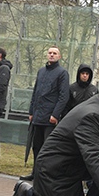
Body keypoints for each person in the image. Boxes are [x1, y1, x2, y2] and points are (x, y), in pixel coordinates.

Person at [21, 47, 70, 181]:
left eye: (55, 53)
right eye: (50, 53)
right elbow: (35, 92)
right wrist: (31, 111)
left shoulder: (62, 73)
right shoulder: (41, 71)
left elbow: (63, 96)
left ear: (59, 56)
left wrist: (55, 115)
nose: (52, 55)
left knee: (48, 148)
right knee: (36, 146)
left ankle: (46, 175)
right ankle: (35, 173)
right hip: (37, 116)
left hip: (50, 119)